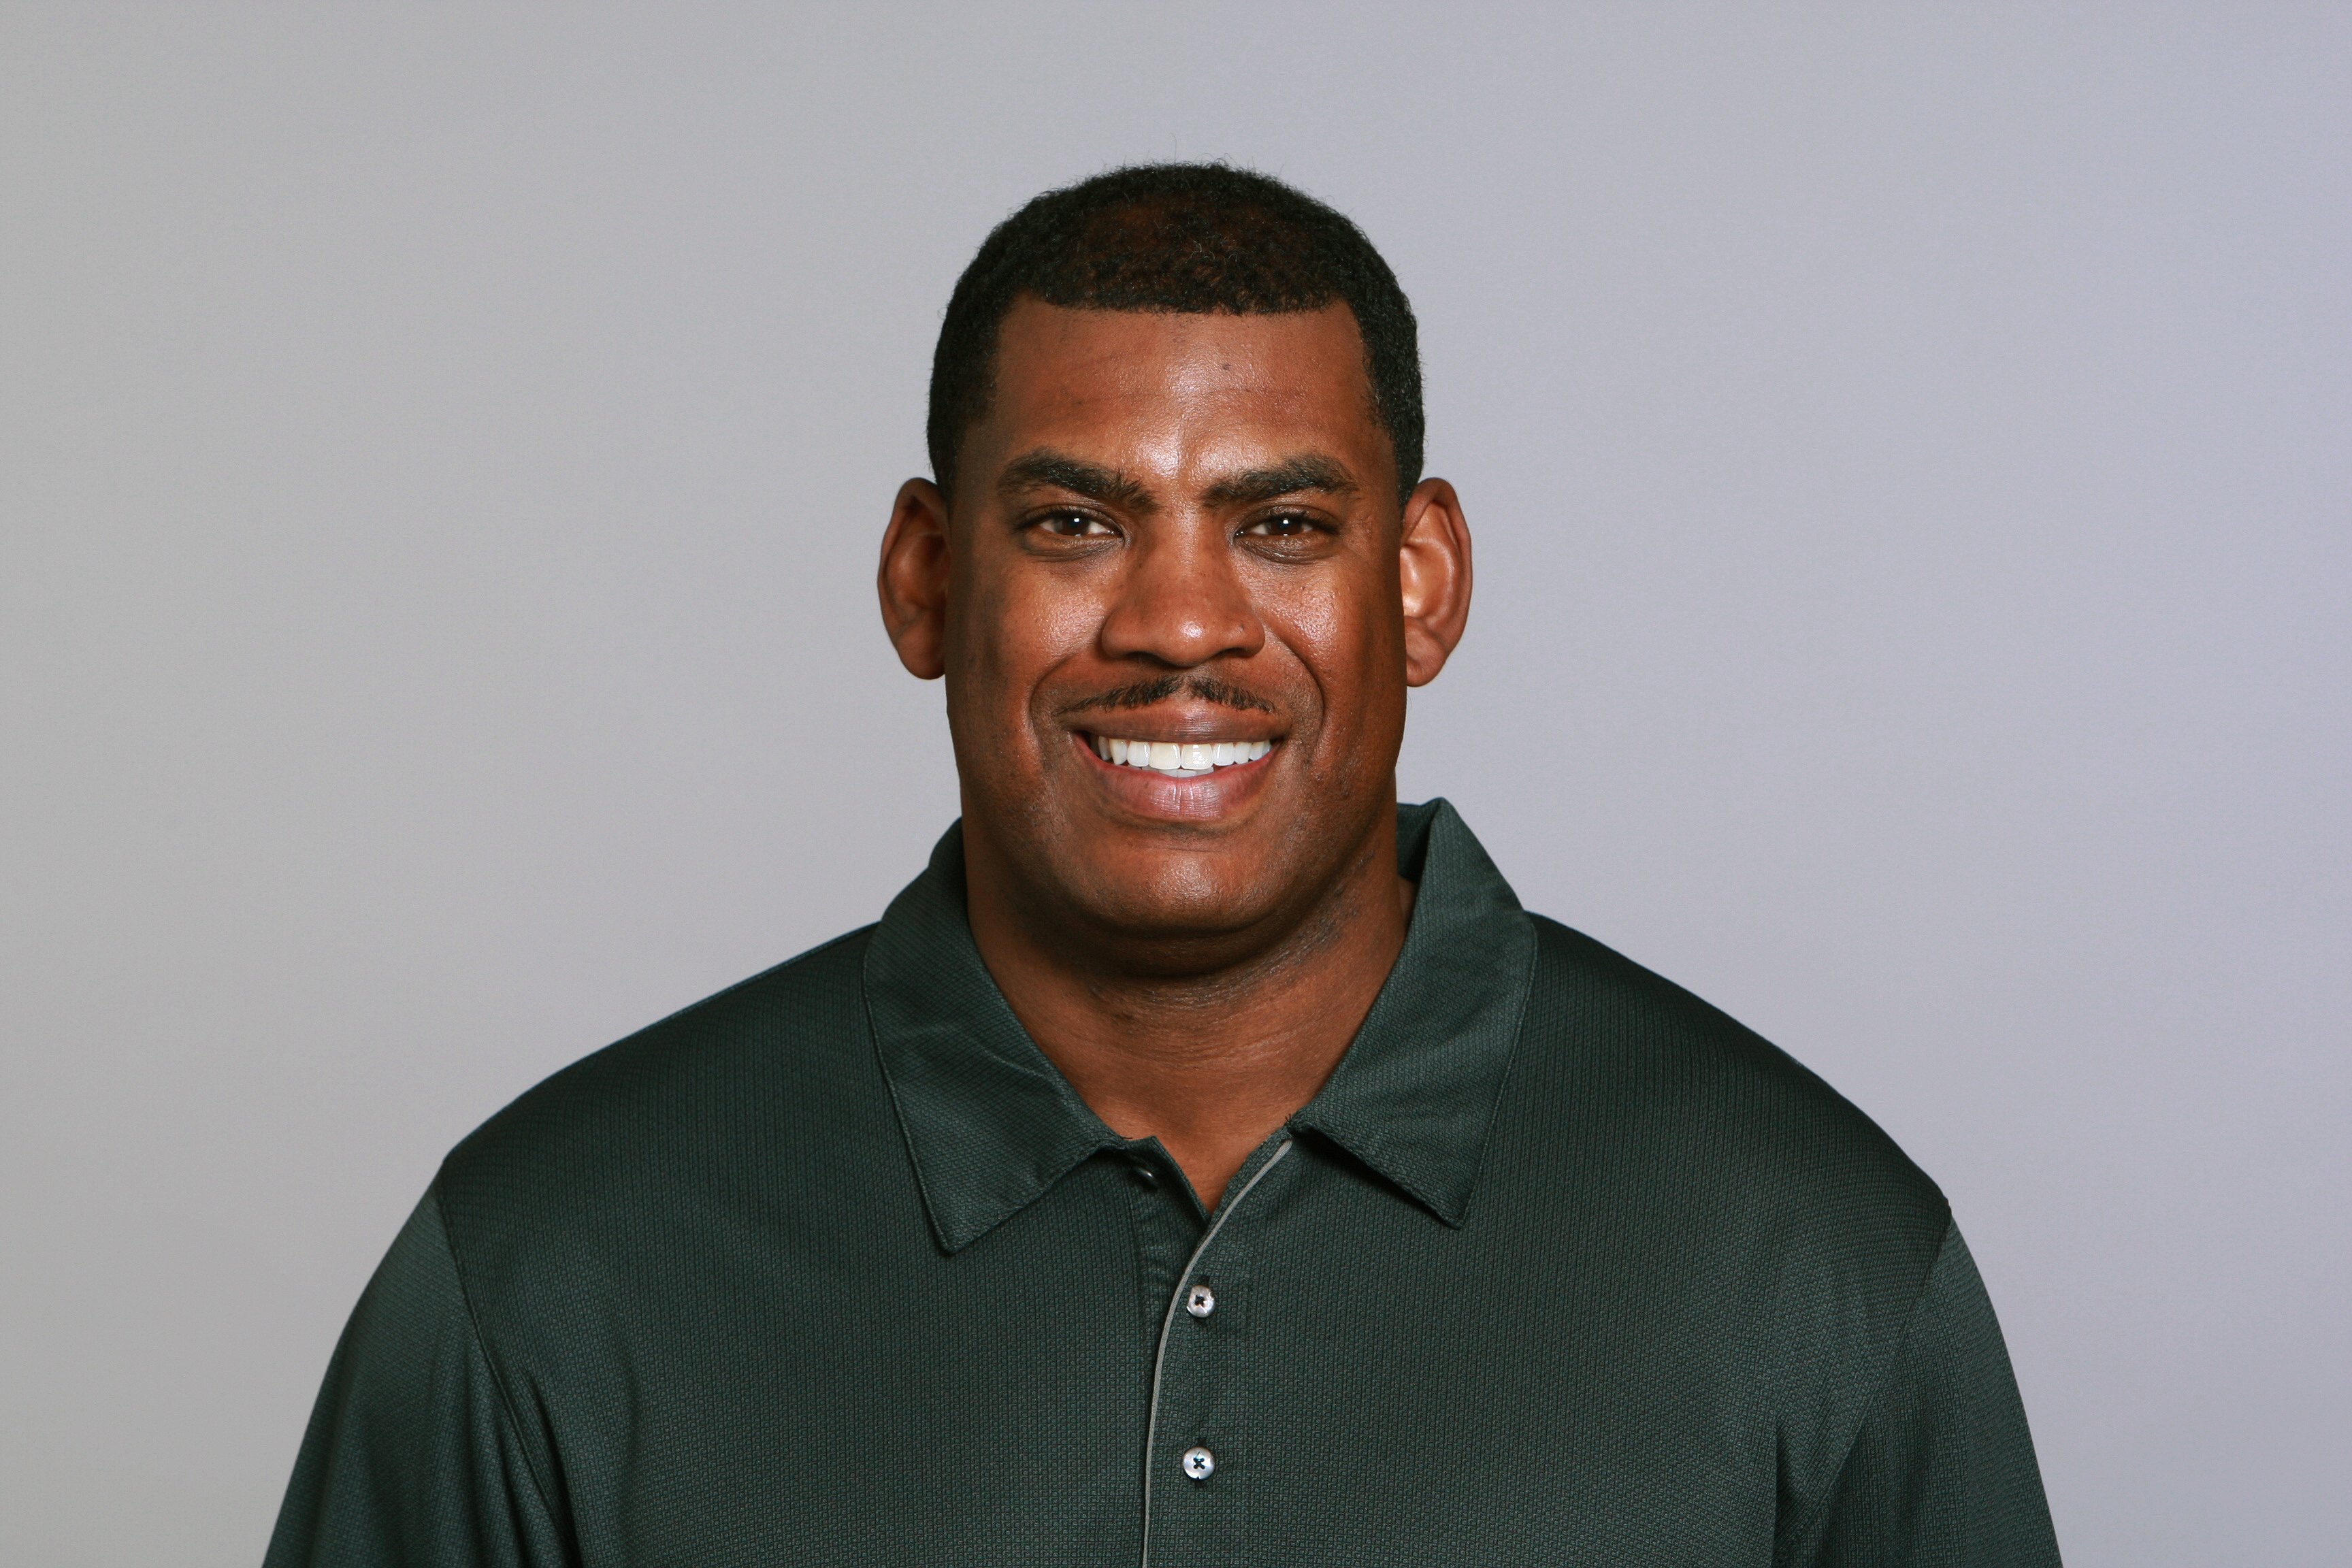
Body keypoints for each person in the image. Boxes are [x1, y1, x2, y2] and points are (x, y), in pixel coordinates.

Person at [265, 163, 2061, 1567]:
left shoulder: (1808, 1259)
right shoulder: (547, 1268)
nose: (1184, 623)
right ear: (925, 577)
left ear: (1420, 584)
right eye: (1072, 523)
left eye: (1279, 525)